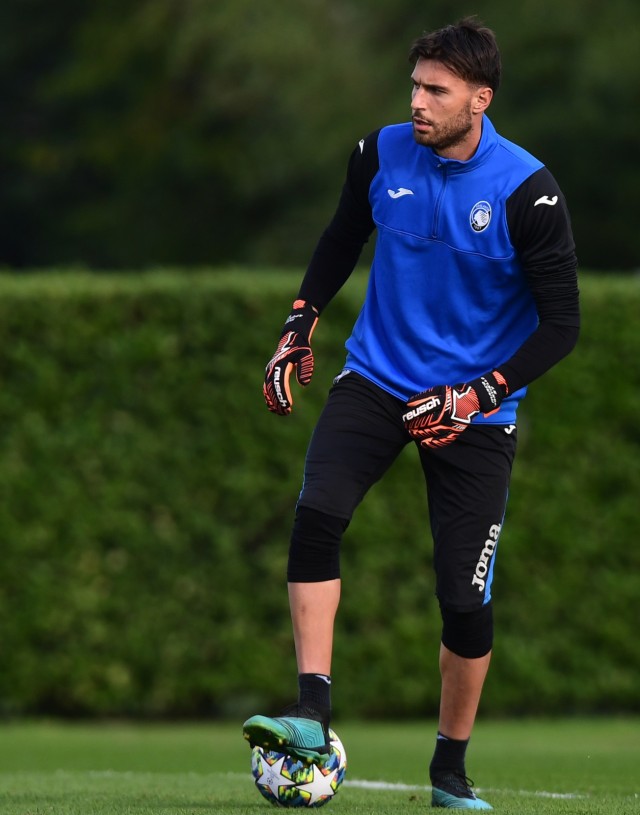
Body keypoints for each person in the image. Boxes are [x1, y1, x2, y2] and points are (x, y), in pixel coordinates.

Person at [243, 17, 579, 810]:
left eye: (436, 90)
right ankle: (312, 717)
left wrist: (478, 395)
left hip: (475, 413)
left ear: (480, 99)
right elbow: (339, 237)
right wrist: (300, 321)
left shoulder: (530, 191)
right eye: (415, 85)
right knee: (317, 511)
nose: (418, 103)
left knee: (464, 599)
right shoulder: (380, 152)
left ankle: (448, 768)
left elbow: (562, 325)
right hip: (379, 380)